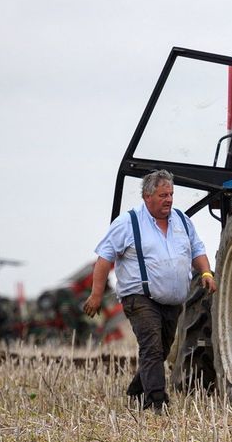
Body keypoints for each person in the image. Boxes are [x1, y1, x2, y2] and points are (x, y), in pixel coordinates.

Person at [84, 169, 217, 411]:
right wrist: (95, 295)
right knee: (152, 346)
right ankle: (156, 402)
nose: (169, 199)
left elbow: (198, 250)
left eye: (171, 194)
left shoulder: (182, 221)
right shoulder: (128, 222)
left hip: (173, 300)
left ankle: (137, 389)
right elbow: (104, 259)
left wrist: (206, 272)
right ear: (147, 197)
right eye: (163, 195)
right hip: (140, 298)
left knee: (162, 349)